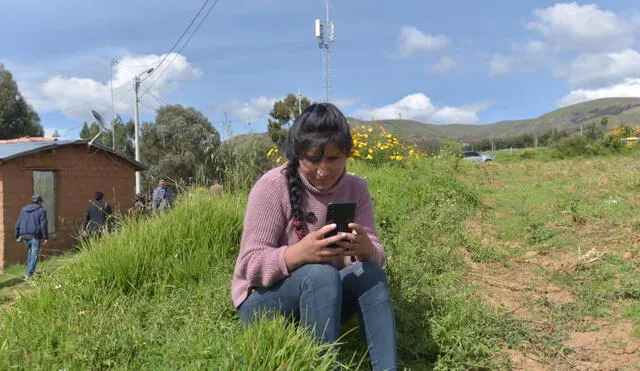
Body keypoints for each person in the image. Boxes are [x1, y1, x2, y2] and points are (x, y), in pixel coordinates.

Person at [231, 103, 397, 370]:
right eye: (312, 158)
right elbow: (250, 265)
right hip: (264, 304)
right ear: (298, 155)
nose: (323, 170)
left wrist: (366, 249)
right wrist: (299, 254)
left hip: (324, 300)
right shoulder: (271, 186)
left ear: (347, 154)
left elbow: (376, 253)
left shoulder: (357, 188)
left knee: (371, 273)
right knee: (320, 273)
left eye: (333, 159)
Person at [15, 194, 49, 280]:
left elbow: (18, 222)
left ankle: (29, 271)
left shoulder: (24, 210)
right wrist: (45, 237)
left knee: (31, 252)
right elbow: (43, 225)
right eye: (41, 202)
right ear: (40, 202)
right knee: (34, 255)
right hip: (34, 236)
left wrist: (17, 235)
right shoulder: (42, 210)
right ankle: (29, 275)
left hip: (24, 236)